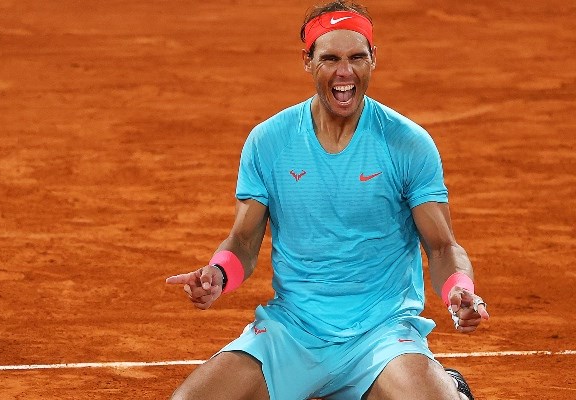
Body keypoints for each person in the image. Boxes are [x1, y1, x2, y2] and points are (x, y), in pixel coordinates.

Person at [165, 1, 490, 399]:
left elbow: (442, 247)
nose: (344, 72)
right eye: (330, 58)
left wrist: (459, 288)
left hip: (382, 337)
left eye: (357, 57)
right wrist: (220, 273)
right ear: (308, 61)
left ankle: (448, 387)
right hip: (293, 332)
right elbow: (244, 241)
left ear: (373, 59)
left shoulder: (408, 144)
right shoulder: (269, 142)